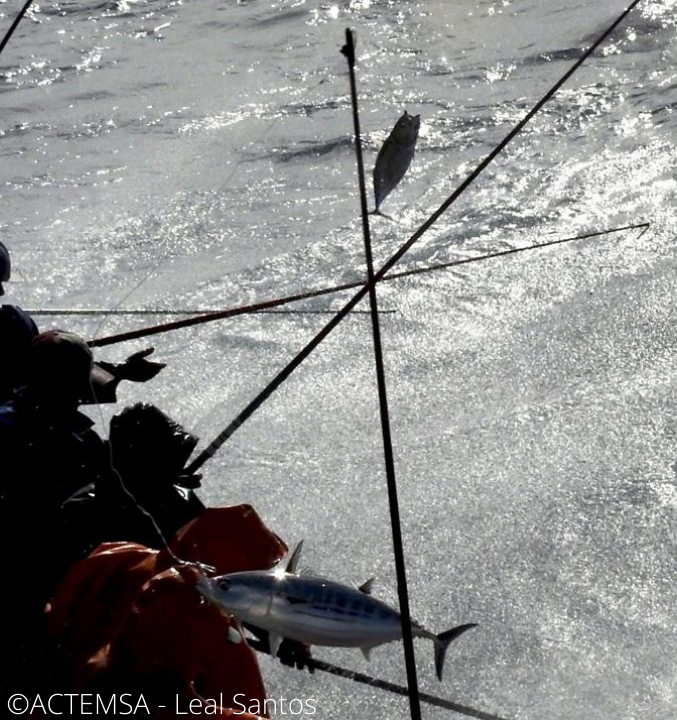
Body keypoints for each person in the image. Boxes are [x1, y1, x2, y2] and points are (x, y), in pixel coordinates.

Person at [0, 240, 166, 402]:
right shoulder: (15, 323)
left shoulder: (15, 323)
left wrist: (120, 369)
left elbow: (48, 379)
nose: (1, 291)